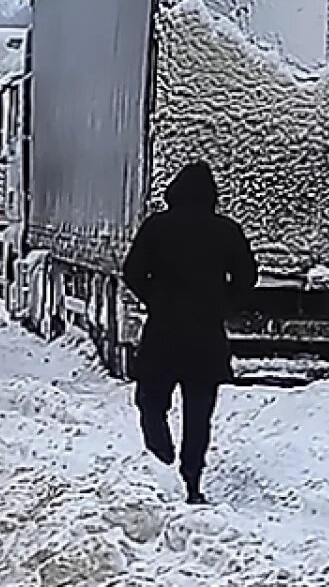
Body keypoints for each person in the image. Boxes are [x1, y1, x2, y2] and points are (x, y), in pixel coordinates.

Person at [122, 161, 257, 505]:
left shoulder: (157, 228)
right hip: (206, 338)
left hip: (162, 335)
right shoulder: (227, 231)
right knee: (199, 414)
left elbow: (132, 272)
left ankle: (160, 457)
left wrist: (156, 300)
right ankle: (192, 481)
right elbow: (247, 278)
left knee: (150, 401)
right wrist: (221, 304)